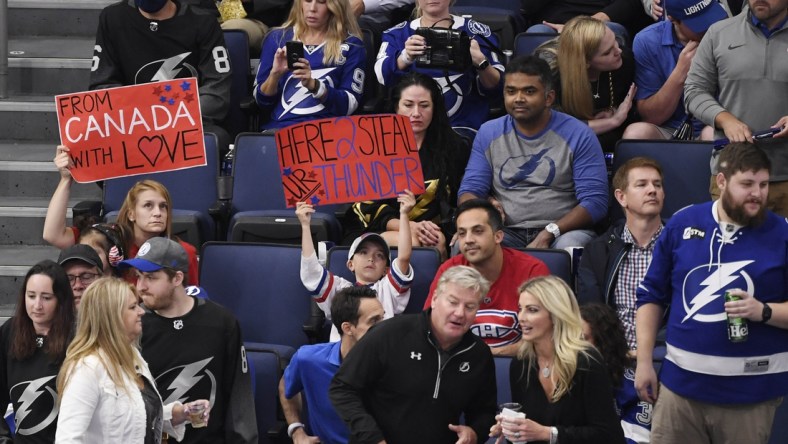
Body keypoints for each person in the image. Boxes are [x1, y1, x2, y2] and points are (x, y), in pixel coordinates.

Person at [635, 142, 788, 443]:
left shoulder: (782, 233)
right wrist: (643, 362)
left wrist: (764, 311)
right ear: (721, 181)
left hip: (750, 397)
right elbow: (651, 295)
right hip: (680, 392)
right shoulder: (683, 223)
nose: (757, 194)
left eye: (764, 184)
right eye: (746, 184)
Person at [330, 265, 496, 444]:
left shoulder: (479, 354)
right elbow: (342, 387)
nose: (460, 313)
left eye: (470, 307)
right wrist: (371, 438)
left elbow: (485, 412)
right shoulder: (390, 333)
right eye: (453, 302)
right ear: (434, 299)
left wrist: (474, 433)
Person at [458, 55, 609, 249]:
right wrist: (485, 205)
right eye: (511, 91)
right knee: (467, 244)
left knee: (571, 245)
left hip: (563, 232)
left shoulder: (579, 134)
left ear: (548, 98)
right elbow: (468, 191)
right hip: (507, 231)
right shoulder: (489, 133)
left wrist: (550, 231)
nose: (519, 99)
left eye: (529, 91)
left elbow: (595, 202)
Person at [118, 237, 258, 443]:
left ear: (177, 278)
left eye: (151, 277)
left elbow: (239, 400)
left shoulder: (221, 322)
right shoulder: (135, 324)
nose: (141, 287)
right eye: (138, 277)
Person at [55, 277, 210, 443]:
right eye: (132, 307)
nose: (141, 311)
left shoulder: (132, 355)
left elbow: (137, 418)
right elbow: (67, 439)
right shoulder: (86, 369)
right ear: (111, 316)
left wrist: (181, 413)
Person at [347, 73, 470, 259]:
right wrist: (411, 227)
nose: (416, 113)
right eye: (408, 105)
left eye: (424, 105)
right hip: (376, 228)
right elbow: (367, 208)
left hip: (434, 231)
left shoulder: (454, 147)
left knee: (435, 242)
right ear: (396, 107)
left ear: (435, 108)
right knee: (414, 242)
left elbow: (458, 199)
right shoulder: (372, 146)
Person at [490, 276, 626, 444]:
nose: (521, 317)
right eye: (520, 309)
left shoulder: (586, 362)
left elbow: (608, 435)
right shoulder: (521, 363)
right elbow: (528, 429)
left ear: (556, 314)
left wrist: (549, 434)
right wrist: (512, 429)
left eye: (532, 310)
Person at [684, 0, 788, 216]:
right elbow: (694, 90)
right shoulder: (718, 33)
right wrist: (724, 118)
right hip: (732, 174)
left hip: (785, 176)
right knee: (731, 250)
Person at [90, 0, 232, 150]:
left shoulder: (203, 21)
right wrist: (139, 120)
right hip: (132, 124)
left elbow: (217, 89)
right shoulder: (112, 18)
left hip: (189, 122)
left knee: (215, 139)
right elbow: (102, 85)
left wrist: (170, 119)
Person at [424, 199, 550, 356]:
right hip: (460, 365)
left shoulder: (532, 270)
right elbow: (430, 329)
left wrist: (490, 354)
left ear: (498, 236)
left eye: (478, 231)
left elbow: (545, 335)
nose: (468, 239)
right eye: (462, 233)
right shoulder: (450, 270)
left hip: (518, 366)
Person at [44, 173, 199, 286]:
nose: (158, 213)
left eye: (163, 206)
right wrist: (66, 179)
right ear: (131, 213)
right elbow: (53, 235)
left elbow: (190, 301)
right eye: (148, 205)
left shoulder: (184, 252)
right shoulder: (108, 240)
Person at [299, 191, 414, 342]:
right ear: (350, 264)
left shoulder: (388, 290)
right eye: (363, 252)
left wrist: (404, 214)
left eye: (379, 255)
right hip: (341, 361)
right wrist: (305, 226)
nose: (371, 258)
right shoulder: (339, 290)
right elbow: (311, 271)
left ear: (387, 270)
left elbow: (404, 257)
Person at [576, 157, 665, 351]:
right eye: (641, 184)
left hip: (665, 356)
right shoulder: (598, 250)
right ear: (621, 197)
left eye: (657, 184)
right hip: (614, 359)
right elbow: (591, 314)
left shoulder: (681, 245)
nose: (652, 190)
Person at [374, 0, 504, 130]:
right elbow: (382, 77)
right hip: (412, 129)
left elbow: (497, 88)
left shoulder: (477, 32)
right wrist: (405, 57)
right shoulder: (397, 34)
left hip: (463, 127)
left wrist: (481, 62)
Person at [280, 286, 384, 444]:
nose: (384, 327)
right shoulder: (307, 359)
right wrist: (296, 430)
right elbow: (285, 386)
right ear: (348, 328)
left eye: (383, 319)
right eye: (374, 321)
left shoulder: (395, 363)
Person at [622, 0, 728, 140]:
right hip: (668, 129)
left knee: (711, 135)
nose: (710, 26)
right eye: (699, 22)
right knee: (635, 133)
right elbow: (651, 117)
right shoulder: (647, 41)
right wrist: (681, 72)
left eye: (711, 16)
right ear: (672, 19)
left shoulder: (728, 33)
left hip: (715, 125)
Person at [253, 0, 366, 131]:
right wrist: (275, 75)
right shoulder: (277, 38)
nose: (312, 8)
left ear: (334, 6)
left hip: (326, 133)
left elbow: (348, 107)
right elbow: (262, 103)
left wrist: (315, 86)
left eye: (321, 2)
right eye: (307, 1)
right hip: (279, 131)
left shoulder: (352, 45)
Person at [0, 261, 75, 442]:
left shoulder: (75, 337)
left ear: (61, 300)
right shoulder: (10, 331)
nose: (37, 305)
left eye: (47, 298)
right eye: (31, 296)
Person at [550, 15, 637, 152]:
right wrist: (613, 121)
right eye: (607, 52)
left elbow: (631, 112)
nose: (618, 50)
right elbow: (556, 127)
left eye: (615, 41)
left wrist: (614, 111)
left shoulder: (624, 60)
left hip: (609, 134)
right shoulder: (551, 73)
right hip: (565, 142)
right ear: (585, 62)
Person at [580, 303, 651, 444]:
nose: (574, 346)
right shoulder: (563, 377)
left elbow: (635, 439)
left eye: (583, 339)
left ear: (604, 342)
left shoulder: (632, 386)